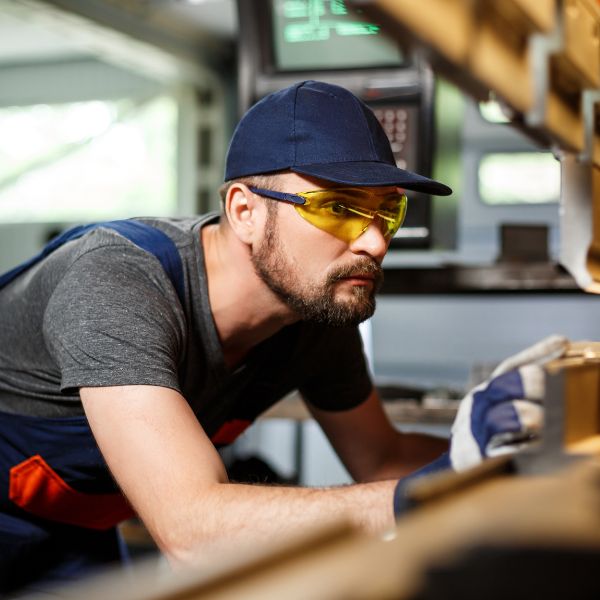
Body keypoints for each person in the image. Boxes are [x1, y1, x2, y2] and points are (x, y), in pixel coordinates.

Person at [0, 79, 548, 593]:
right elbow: (192, 529)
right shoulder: (117, 282)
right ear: (244, 211)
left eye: (388, 211)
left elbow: (381, 458)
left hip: (76, 526)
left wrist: (514, 462)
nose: (377, 243)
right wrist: (423, 497)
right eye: (339, 208)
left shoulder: (312, 313)